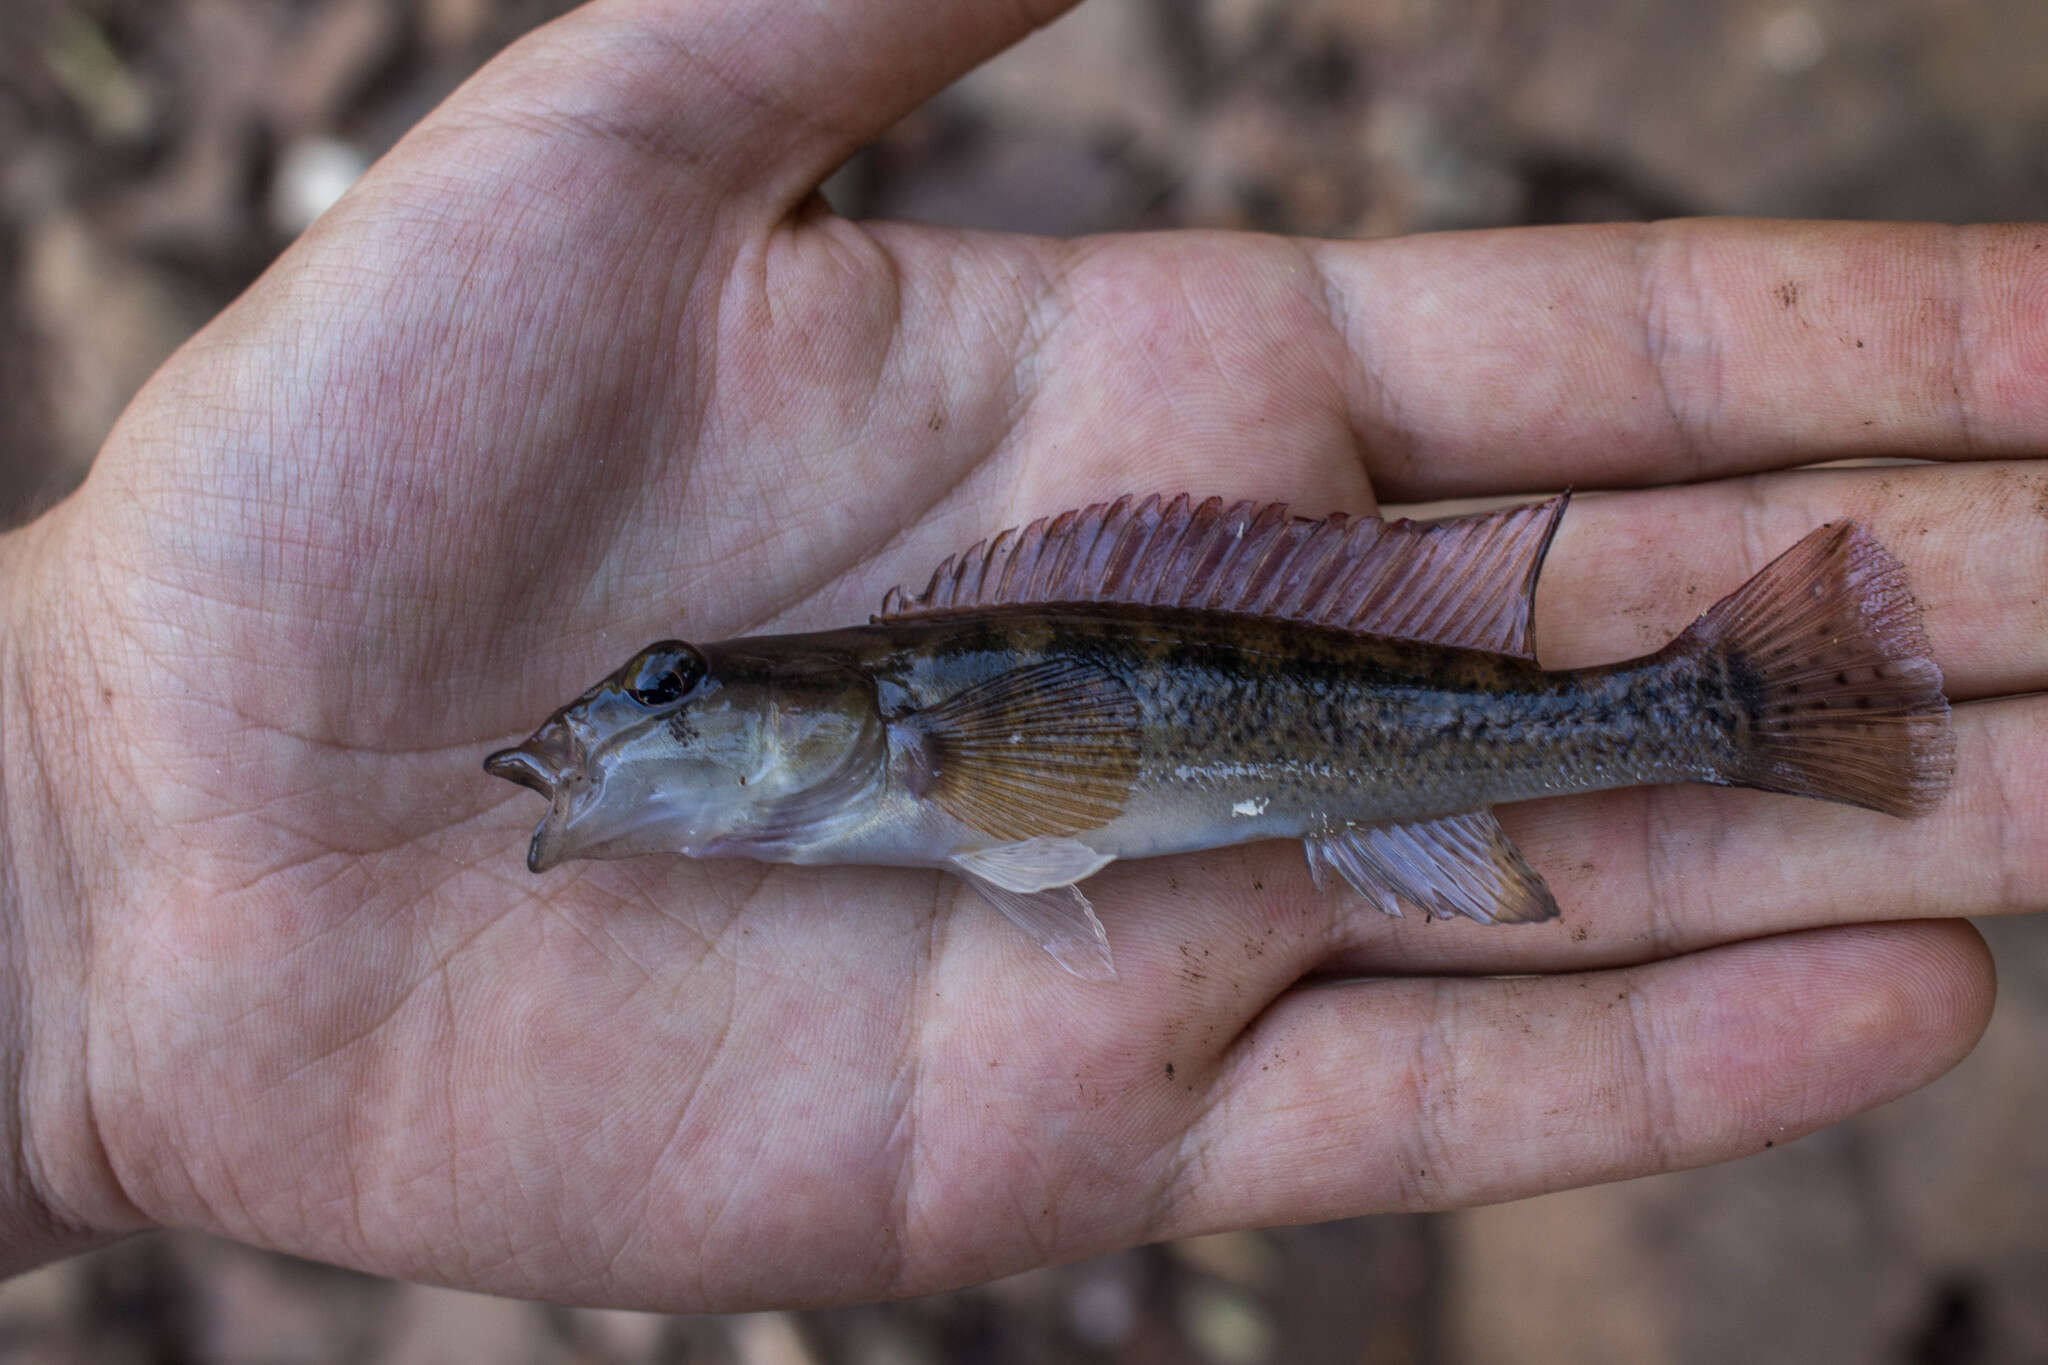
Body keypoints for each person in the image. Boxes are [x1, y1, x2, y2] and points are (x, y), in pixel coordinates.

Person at [0, 0, 2028, 1311]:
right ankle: (1705, 708)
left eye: (671, 691)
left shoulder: (937, 728)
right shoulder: (899, 753)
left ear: (811, 710)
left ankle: (1715, 700)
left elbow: (1035, 809)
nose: (622, 730)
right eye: (645, 706)